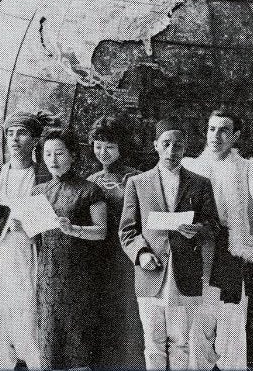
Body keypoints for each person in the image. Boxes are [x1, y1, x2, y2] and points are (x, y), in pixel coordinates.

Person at [119, 117, 220, 370]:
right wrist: (141, 254)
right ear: (155, 145)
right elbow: (127, 230)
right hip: (150, 271)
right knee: (153, 343)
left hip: (184, 272)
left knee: (180, 343)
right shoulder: (137, 183)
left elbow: (213, 226)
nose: (171, 151)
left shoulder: (200, 183)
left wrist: (197, 230)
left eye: (178, 146)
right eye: (166, 144)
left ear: (185, 149)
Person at [0, 110, 54, 370]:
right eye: (10, 133)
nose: (14, 139)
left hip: (27, 262)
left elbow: (51, 226)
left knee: (30, 335)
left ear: (35, 140)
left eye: (22, 133)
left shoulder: (44, 178)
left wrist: (27, 226)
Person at [182, 110, 253, 370]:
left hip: (232, 246)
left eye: (224, 130)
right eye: (212, 128)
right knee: (200, 317)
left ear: (236, 136)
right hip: (201, 247)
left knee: (231, 317)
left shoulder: (248, 168)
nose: (216, 136)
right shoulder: (191, 167)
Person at [32, 128, 108, 369]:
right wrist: (20, 226)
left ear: (73, 155)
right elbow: (35, 237)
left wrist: (74, 229)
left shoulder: (89, 190)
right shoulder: (38, 191)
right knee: (49, 350)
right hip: (47, 278)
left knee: (78, 349)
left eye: (59, 153)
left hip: (79, 278)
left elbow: (101, 231)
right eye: (48, 154)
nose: (53, 160)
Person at [86, 115, 144, 369]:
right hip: (99, 257)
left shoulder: (137, 178)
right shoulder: (91, 180)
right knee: (102, 313)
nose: (103, 152)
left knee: (130, 314)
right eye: (98, 146)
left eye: (109, 146)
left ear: (122, 147)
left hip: (128, 257)